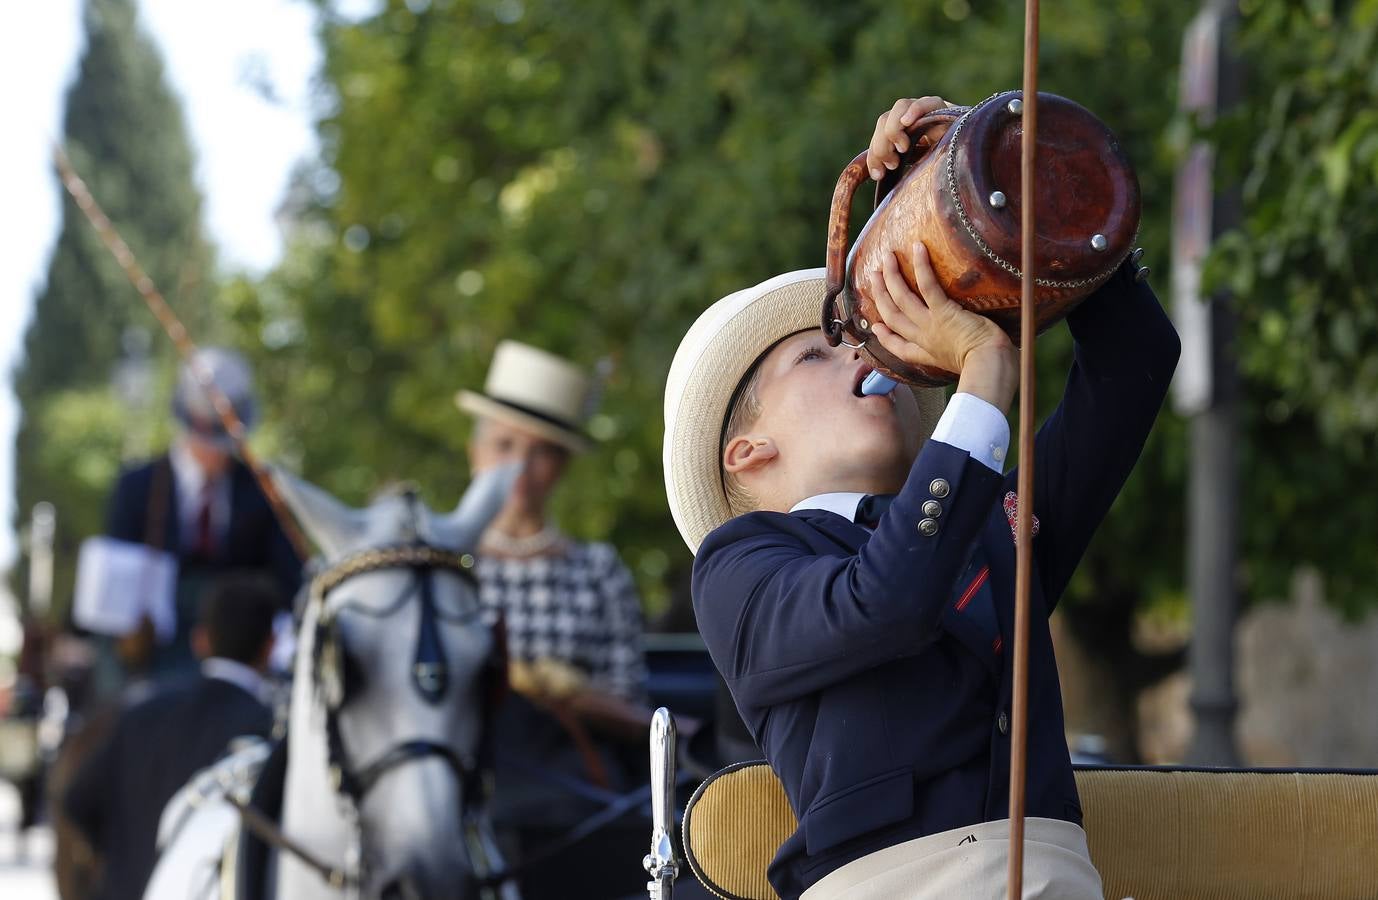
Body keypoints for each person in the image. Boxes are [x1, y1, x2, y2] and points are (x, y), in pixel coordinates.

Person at [662, 96, 1180, 899]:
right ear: (747, 452)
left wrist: (985, 180)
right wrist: (980, 383)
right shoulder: (740, 565)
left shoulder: (984, 519)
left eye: (869, 342)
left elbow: (1136, 360)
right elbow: (885, 602)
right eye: (816, 356)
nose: (864, 357)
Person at [62, 573, 280, 900]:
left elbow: (76, 801)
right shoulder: (268, 731)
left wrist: (123, 866)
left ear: (200, 640)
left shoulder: (140, 713)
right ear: (271, 646)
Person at [458, 339, 646, 704]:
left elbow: (631, 700)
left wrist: (572, 694)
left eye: (541, 451)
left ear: (562, 466)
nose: (520, 468)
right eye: (504, 445)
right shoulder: (445, 565)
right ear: (474, 453)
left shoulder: (598, 571)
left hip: (572, 758)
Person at [103, 347, 300, 680]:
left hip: (238, 662)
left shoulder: (260, 492)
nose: (213, 450)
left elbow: (288, 581)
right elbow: (111, 596)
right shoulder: (138, 488)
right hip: (155, 663)